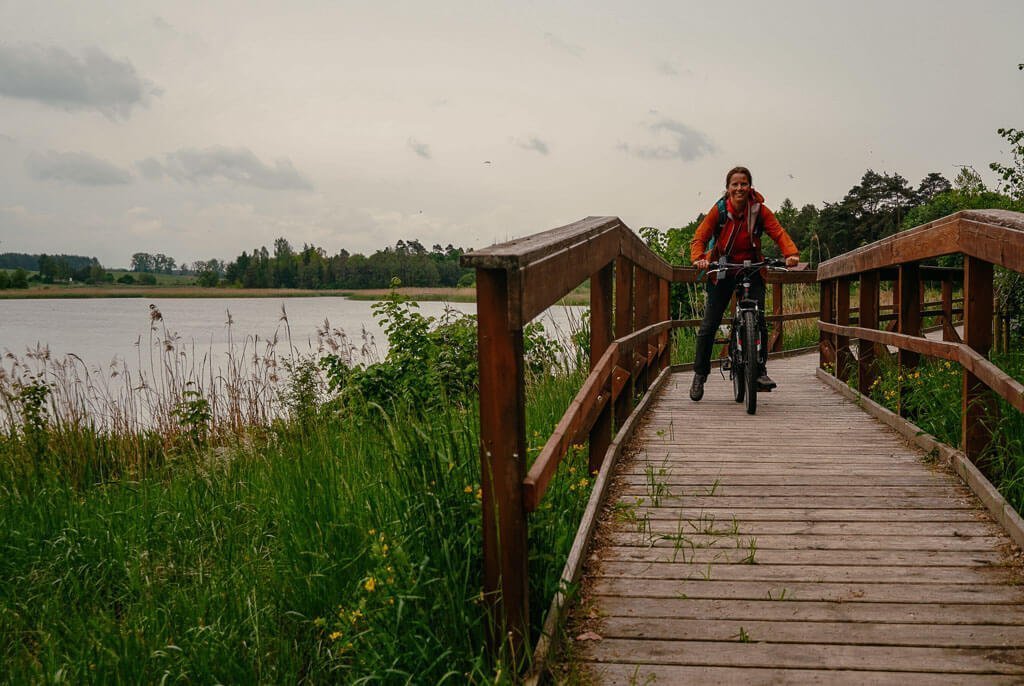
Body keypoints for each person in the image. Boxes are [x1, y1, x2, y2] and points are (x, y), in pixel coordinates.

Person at [688, 166, 800, 401]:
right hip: (723, 268)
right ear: (728, 189)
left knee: (759, 319)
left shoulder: (759, 210)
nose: (739, 188)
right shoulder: (719, 211)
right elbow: (701, 236)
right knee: (709, 325)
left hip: (751, 267)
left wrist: (791, 254)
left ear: (750, 187)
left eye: (743, 184)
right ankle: (700, 374)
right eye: (735, 184)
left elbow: (778, 232)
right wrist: (699, 259)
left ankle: (759, 371)